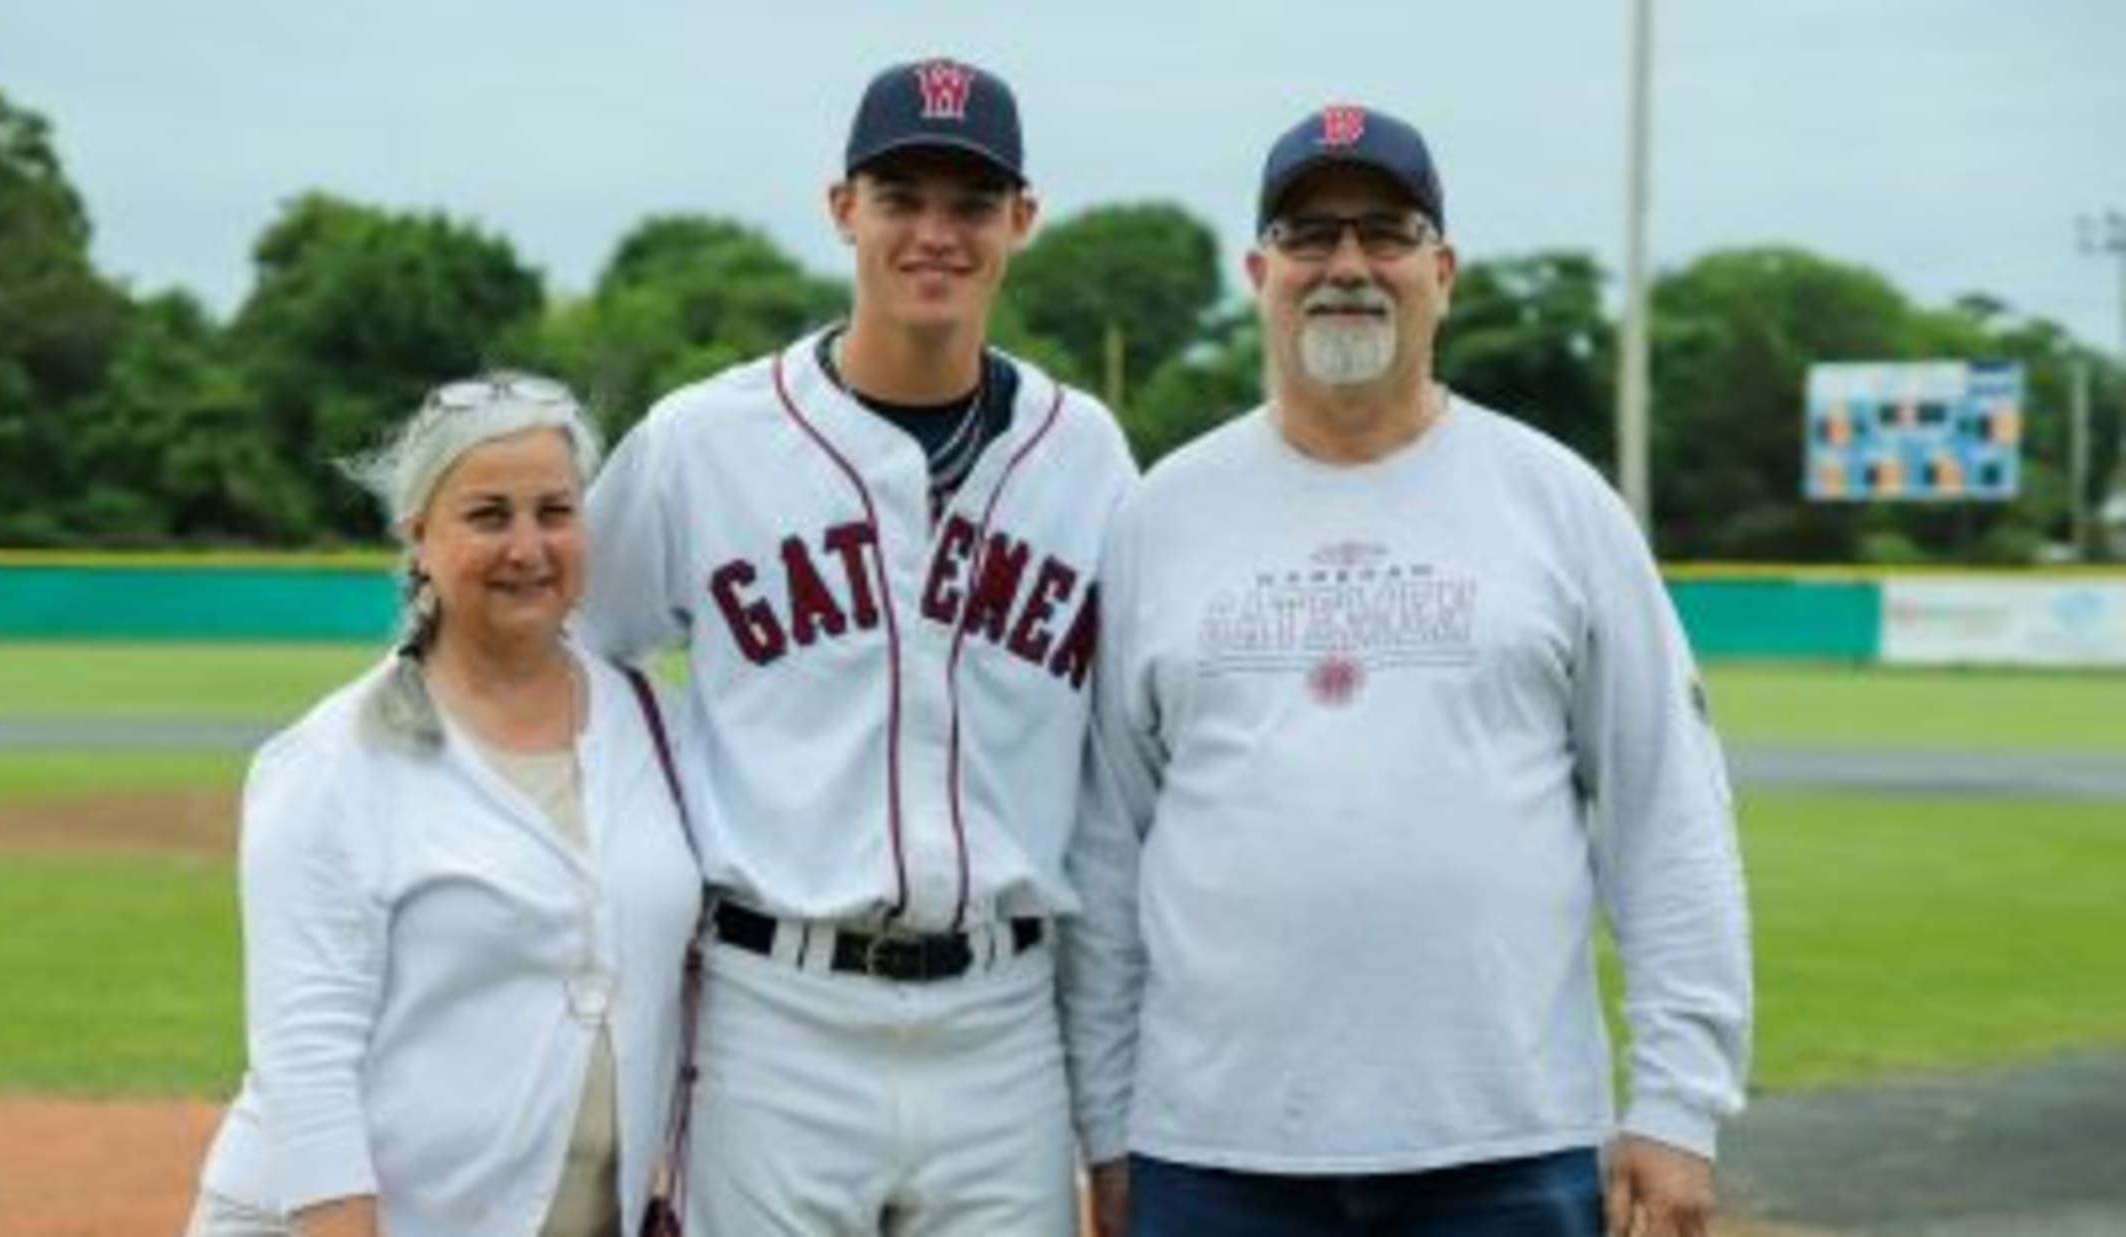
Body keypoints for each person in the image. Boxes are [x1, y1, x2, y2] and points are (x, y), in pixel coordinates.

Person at [1062, 104, 1753, 1237]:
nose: (1346, 265)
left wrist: (1678, 1105)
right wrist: (1103, 1124)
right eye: (1309, 236)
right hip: (1214, 1147)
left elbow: (1668, 813)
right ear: (1258, 271)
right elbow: (1104, 855)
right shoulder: (1161, 515)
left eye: (1384, 232)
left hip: (1505, 1146)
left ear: (1443, 269)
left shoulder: (1557, 503)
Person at [577, 55, 1136, 1237]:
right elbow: (578, 652)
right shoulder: (700, 443)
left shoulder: (1085, 454)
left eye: (971, 203)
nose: (936, 231)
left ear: (1020, 222)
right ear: (844, 210)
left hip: (1005, 1020)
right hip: (775, 1015)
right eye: (901, 197)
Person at [185, 372, 703, 1237]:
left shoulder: (658, 726)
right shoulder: (329, 762)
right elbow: (307, 1066)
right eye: (489, 515)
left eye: (555, 511)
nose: (528, 546)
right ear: (418, 535)